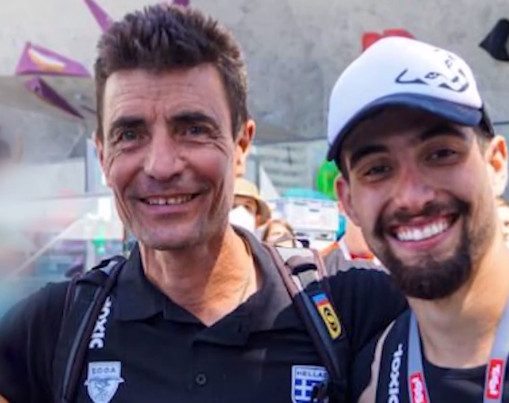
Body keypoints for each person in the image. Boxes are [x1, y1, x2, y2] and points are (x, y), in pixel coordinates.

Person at [0, 6, 406, 402]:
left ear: (241, 145)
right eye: (130, 135)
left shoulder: (354, 305)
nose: (160, 166)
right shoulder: (55, 327)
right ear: (103, 155)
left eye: (193, 129)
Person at [324, 36, 509, 401]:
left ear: (496, 164)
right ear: (348, 201)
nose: (412, 196)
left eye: (441, 153)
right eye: (377, 169)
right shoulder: (377, 373)